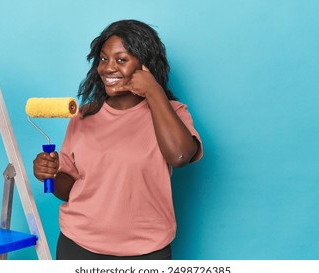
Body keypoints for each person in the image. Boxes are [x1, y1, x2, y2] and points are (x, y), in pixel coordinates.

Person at [33, 19, 203, 260]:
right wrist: (49, 173)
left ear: (146, 65)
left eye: (121, 60)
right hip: (78, 246)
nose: (108, 68)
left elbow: (179, 156)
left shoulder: (173, 113)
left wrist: (153, 91)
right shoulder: (84, 115)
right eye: (103, 59)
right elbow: (68, 189)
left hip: (146, 251)